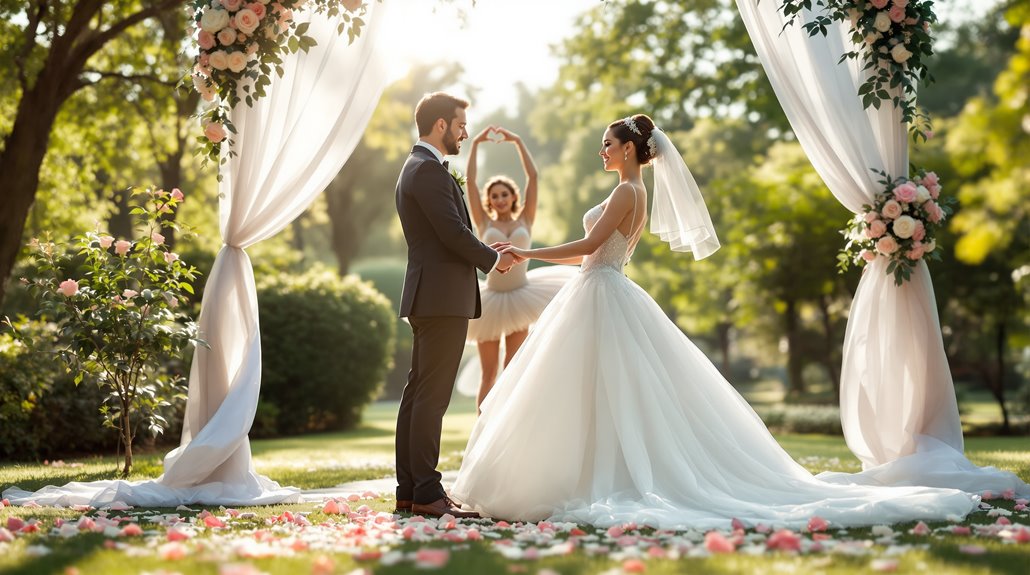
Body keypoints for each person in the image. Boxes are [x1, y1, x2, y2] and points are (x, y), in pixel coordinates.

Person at [448, 114, 978, 529]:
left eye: (608, 143)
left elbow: (589, 246)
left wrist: (527, 253)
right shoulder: (632, 191)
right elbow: (588, 256)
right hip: (597, 288)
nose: (602, 150)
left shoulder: (629, 192)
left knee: (601, 387)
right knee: (592, 390)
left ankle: (600, 474)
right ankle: (588, 469)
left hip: (601, 292)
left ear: (629, 149)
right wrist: (531, 257)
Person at [394, 92, 516, 519]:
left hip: (432, 295)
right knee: (432, 397)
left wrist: (487, 251)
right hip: (441, 298)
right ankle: (427, 491)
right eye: (461, 124)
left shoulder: (422, 168)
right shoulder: (427, 171)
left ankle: (409, 489)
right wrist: (494, 259)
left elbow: (448, 230)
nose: (465, 131)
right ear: (441, 125)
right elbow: (450, 231)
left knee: (418, 395)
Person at [461, 126, 578, 411]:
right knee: (489, 373)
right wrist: (475, 143)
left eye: (504, 194)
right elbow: (471, 181)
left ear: (513, 197)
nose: (500, 200)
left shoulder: (526, 219)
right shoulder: (485, 224)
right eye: (495, 196)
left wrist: (517, 141)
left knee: (512, 370)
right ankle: (481, 433)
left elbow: (533, 177)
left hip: (521, 298)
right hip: (489, 303)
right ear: (489, 201)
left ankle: (505, 433)